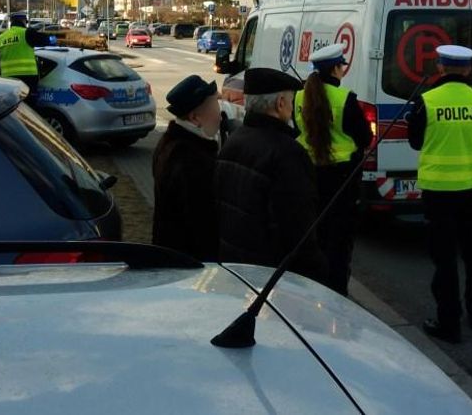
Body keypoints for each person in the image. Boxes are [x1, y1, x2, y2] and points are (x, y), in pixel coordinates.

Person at [408, 45, 472, 344]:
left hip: (438, 190)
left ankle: (449, 322)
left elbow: (416, 143)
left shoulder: (426, 101)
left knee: (444, 259)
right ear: (468, 70)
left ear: (440, 67)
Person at [214, 67, 328, 283]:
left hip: (234, 268)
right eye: (292, 101)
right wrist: (317, 271)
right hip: (272, 278)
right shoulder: (288, 154)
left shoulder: (234, 141)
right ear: (280, 104)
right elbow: (298, 228)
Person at [294, 43, 374, 296]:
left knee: (314, 236)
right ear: (336, 69)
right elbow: (364, 138)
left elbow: (297, 133)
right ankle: (336, 294)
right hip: (341, 179)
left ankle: (314, 289)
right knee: (339, 243)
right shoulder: (345, 98)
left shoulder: (299, 96)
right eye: (342, 66)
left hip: (309, 175)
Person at [151, 75, 223, 261]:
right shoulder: (190, 160)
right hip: (188, 263)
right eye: (215, 106)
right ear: (195, 117)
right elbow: (202, 225)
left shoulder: (170, 143)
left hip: (170, 254)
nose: (220, 115)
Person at [0, 13, 52, 100]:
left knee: (12, 106)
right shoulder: (26, 33)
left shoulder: (0, 38)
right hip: (28, 77)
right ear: (23, 21)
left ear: (11, 22)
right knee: (28, 107)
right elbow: (46, 40)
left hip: (7, 79)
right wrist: (54, 40)